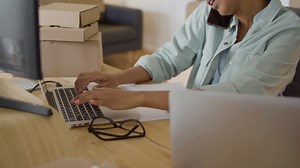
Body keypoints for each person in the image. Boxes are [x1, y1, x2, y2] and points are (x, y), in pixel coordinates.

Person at [72, 0, 300, 111]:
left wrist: (139, 98)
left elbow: (241, 94)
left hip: (248, 134)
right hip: (194, 119)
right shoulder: (209, 12)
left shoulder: (289, 31)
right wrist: (119, 78)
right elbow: (169, 58)